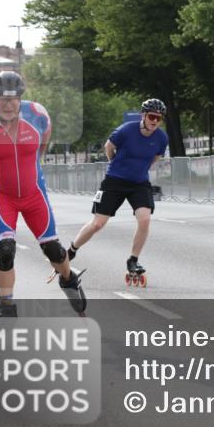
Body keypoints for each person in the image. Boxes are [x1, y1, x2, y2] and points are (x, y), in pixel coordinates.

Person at [0, 71, 85, 315]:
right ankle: (6, 306)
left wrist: (35, 159)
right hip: (3, 197)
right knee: (5, 250)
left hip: (34, 195)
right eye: (1, 99)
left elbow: (45, 136)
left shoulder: (38, 114)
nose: (7, 105)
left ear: (20, 98)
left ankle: (68, 279)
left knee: (53, 250)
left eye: (12, 99)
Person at [68, 98, 169, 286]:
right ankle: (71, 250)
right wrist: (115, 164)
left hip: (139, 183)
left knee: (145, 219)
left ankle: (133, 260)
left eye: (159, 118)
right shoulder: (126, 130)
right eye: (152, 117)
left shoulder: (161, 138)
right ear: (143, 115)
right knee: (98, 223)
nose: (155, 121)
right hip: (115, 180)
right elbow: (109, 147)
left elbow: (155, 158)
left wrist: (139, 170)